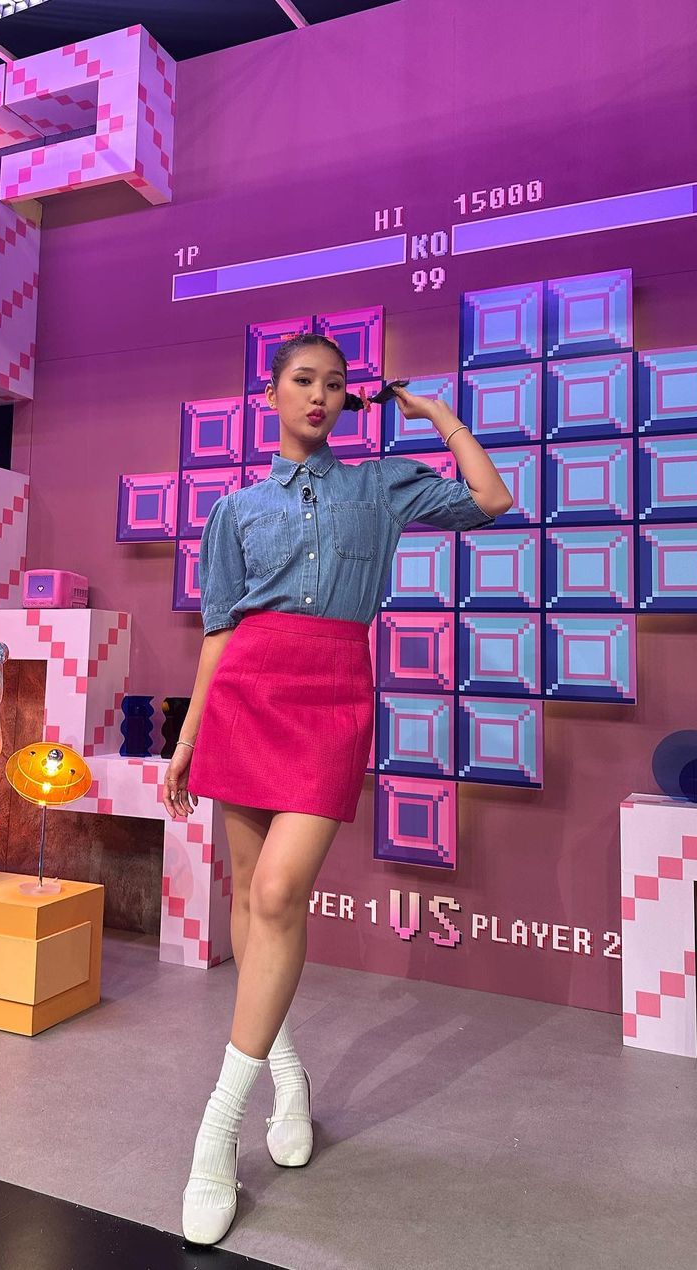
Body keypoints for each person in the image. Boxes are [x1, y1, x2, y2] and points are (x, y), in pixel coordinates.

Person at [164, 333, 513, 1245]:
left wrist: (438, 416)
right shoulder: (235, 510)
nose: (318, 396)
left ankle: (215, 1133)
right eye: (302, 381)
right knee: (251, 899)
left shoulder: (381, 486)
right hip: (245, 696)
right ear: (272, 395)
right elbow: (218, 631)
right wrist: (187, 740)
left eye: (333, 384)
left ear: (347, 399)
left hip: (330, 694)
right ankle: (288, 1078)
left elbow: (491, 499)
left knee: (281, 892)